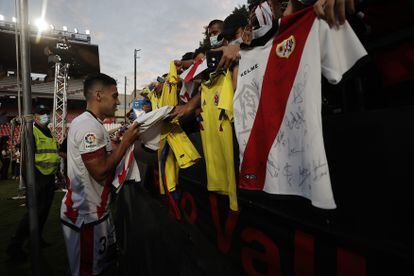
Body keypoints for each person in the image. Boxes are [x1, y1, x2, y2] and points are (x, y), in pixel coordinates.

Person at [60, 73, 139, 276]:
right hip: (86, 216)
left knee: (104, 267)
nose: (117, 101)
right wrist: (125, 143)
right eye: (114, 96)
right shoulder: (88, 126)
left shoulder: (92, 123)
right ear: (98, 95)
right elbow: (100, 171)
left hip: (95, 213)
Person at [6, 104, 61, 261]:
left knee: (44, 212)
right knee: (33, 213)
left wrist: (57, 173)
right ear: (35, 116)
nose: (46, 116)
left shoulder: (49, 131)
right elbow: (25, 159)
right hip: (37, 177)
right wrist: (28, 181)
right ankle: (14, 246)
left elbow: (52, 154)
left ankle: (35, 240)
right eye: (42, 113)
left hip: (49, 178)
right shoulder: (31, 131)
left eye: (47, 113)